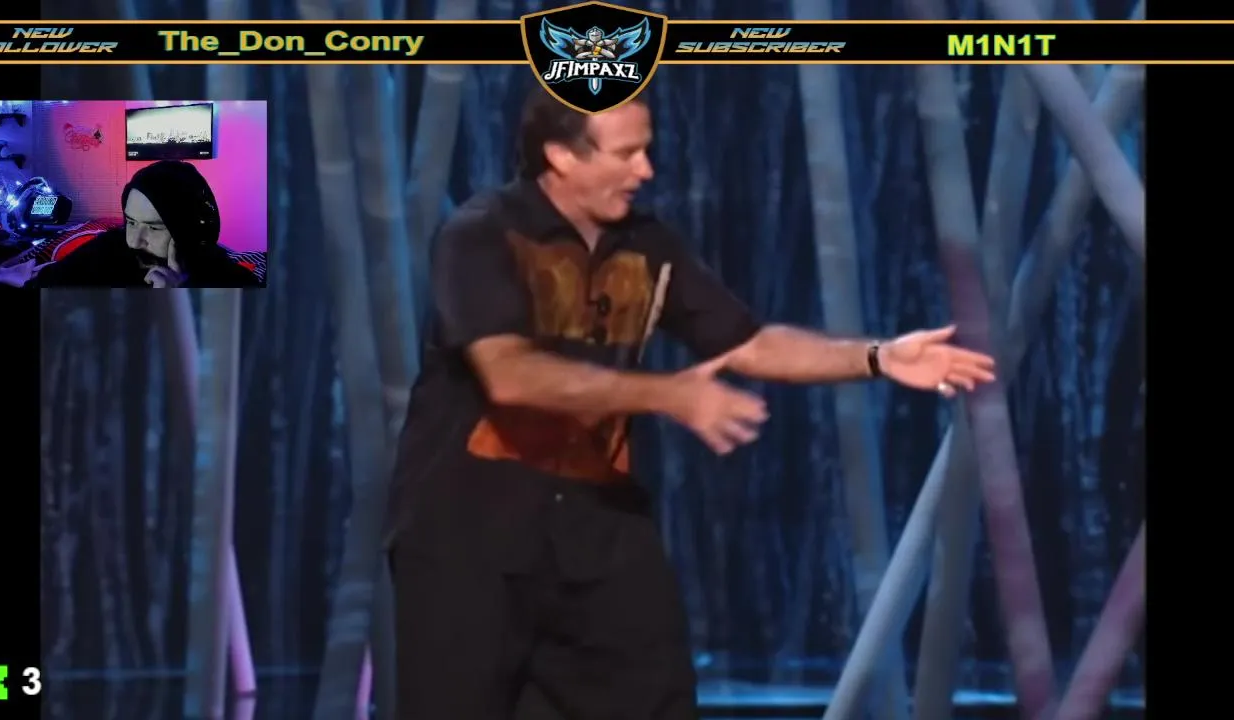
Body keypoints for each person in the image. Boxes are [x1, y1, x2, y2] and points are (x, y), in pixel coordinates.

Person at [382, 88, 996, 720]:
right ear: (561, 155)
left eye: (647, 150)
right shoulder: (480, 235)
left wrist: (878, 356)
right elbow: (509, 375)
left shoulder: (649, 245)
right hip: (468, 534)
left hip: (599, 529)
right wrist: (668, 395)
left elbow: (748, 343)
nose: (646, 170)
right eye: (627, 154)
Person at [5, 160, 260, 288]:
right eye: (131, 222)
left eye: (154, 227)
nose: (134, 241)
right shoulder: (107, 248)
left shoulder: (231, 279)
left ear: (190, 229)